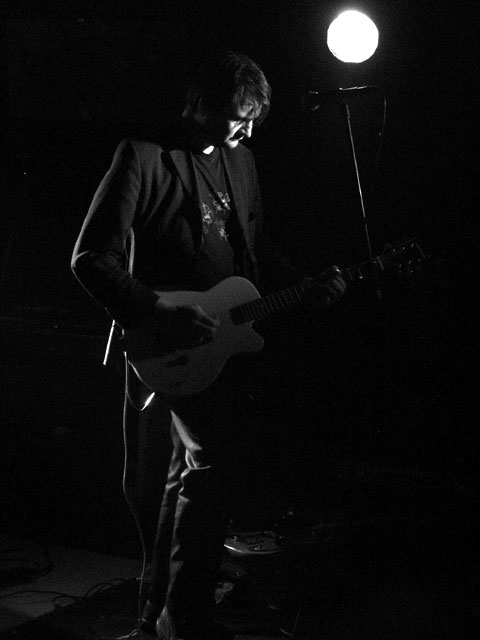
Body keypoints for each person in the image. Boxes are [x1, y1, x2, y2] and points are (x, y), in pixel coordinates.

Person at [71, 51, 346, 640]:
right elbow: (91, 257)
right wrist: (157, 311)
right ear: (199, 104)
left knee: (185, 480)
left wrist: (304, 284)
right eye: (236, 118)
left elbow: (255, 250)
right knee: (181, 478)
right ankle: (180, 618)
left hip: (218, 353)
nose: (246, 131)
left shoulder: (240, 160)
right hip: (158, 345)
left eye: (253, 120)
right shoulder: (144, 155)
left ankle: (163, 618)